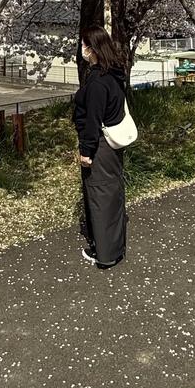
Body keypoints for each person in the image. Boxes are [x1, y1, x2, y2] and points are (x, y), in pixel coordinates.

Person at [73, 25, 128, 269]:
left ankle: (105, 254)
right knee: (112, 194)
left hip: (101, 147)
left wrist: (86, 152)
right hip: (114, 146)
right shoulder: (115, 74)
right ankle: (114, 246)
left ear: (92, 49)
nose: (82, 50)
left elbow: (92, 121)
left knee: (100, 196)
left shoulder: (97, 82)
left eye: (85, 45)